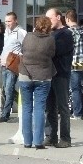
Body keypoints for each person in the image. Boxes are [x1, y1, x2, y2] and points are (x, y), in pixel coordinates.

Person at [19, 17, 55, 149]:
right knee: (39, 108)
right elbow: (52, 54)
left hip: (25, 75)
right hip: (43, 76)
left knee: (26, 108)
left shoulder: (28, 36)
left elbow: (23, 51)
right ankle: (38, 142)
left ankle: (27, 141)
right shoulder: (50, 39)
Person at [44, 8, 74, 148]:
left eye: (50, 18)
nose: (48, 22)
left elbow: (56, 51)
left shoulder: (66, 34)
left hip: (61, 74)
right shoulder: (50, 33)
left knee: (62, 107)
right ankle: (50, 136)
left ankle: (65, 138)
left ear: (58, 17)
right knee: (50, 107)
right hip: (49, 74)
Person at [0, 12, 26, 123]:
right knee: (6, 90)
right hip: (4, 64)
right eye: (6, 21)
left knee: (9, 89)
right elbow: (6, 47)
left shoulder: (21, 32)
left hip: (12, 65)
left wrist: (19, 56)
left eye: (9, 21)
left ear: (16, 20)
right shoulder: (7, 32)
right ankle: (23, 104)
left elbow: (26, 46)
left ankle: (5, 115)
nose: (7, 24)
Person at [65, 9, 83, 120]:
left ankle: (77, 112)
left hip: (72, 63)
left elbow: (68, 48)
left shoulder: (69, 32)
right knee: (78, 88)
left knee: (74, 89)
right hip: (82, 63)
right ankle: (79, 111)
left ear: (68, 19)